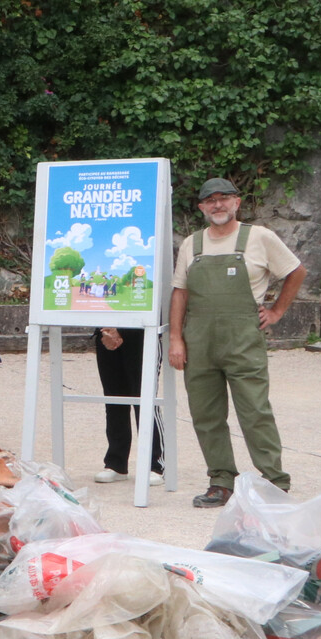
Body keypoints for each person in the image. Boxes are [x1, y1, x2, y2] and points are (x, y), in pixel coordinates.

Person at [168, 178, 304, 506]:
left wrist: (276, 312)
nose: (217, 205)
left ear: (237, 203)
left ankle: (274, 482)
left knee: (255, 411)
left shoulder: (259, 237)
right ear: (201, 207)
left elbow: (295, 272)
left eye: (224, 199)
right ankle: (221, 481)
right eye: (210, 200)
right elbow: (180, 292)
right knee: (206, 414)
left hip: (243, 340)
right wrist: (176, 337)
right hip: (199, 341)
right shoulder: (192, 244)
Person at [94, 326, 164, 484]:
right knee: (113, 399)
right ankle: (116, 463)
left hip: (144, 331)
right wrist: (105, 330)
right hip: (106, 331)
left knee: (145, 398)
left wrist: (121, 331)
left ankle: (156, 464)